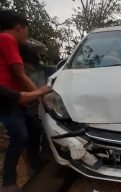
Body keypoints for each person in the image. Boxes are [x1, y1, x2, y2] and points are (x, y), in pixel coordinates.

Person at [0, 10, 44, 192]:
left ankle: (35, 166)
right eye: (26, 29)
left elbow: (18, 77)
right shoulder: (6, 39)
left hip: (17, 99)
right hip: (7, 99)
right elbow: (20, 74)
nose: (27, 34)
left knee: (35, 129)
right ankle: (9, 182)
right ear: (19, 27)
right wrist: (41, 94)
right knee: (20, 137)